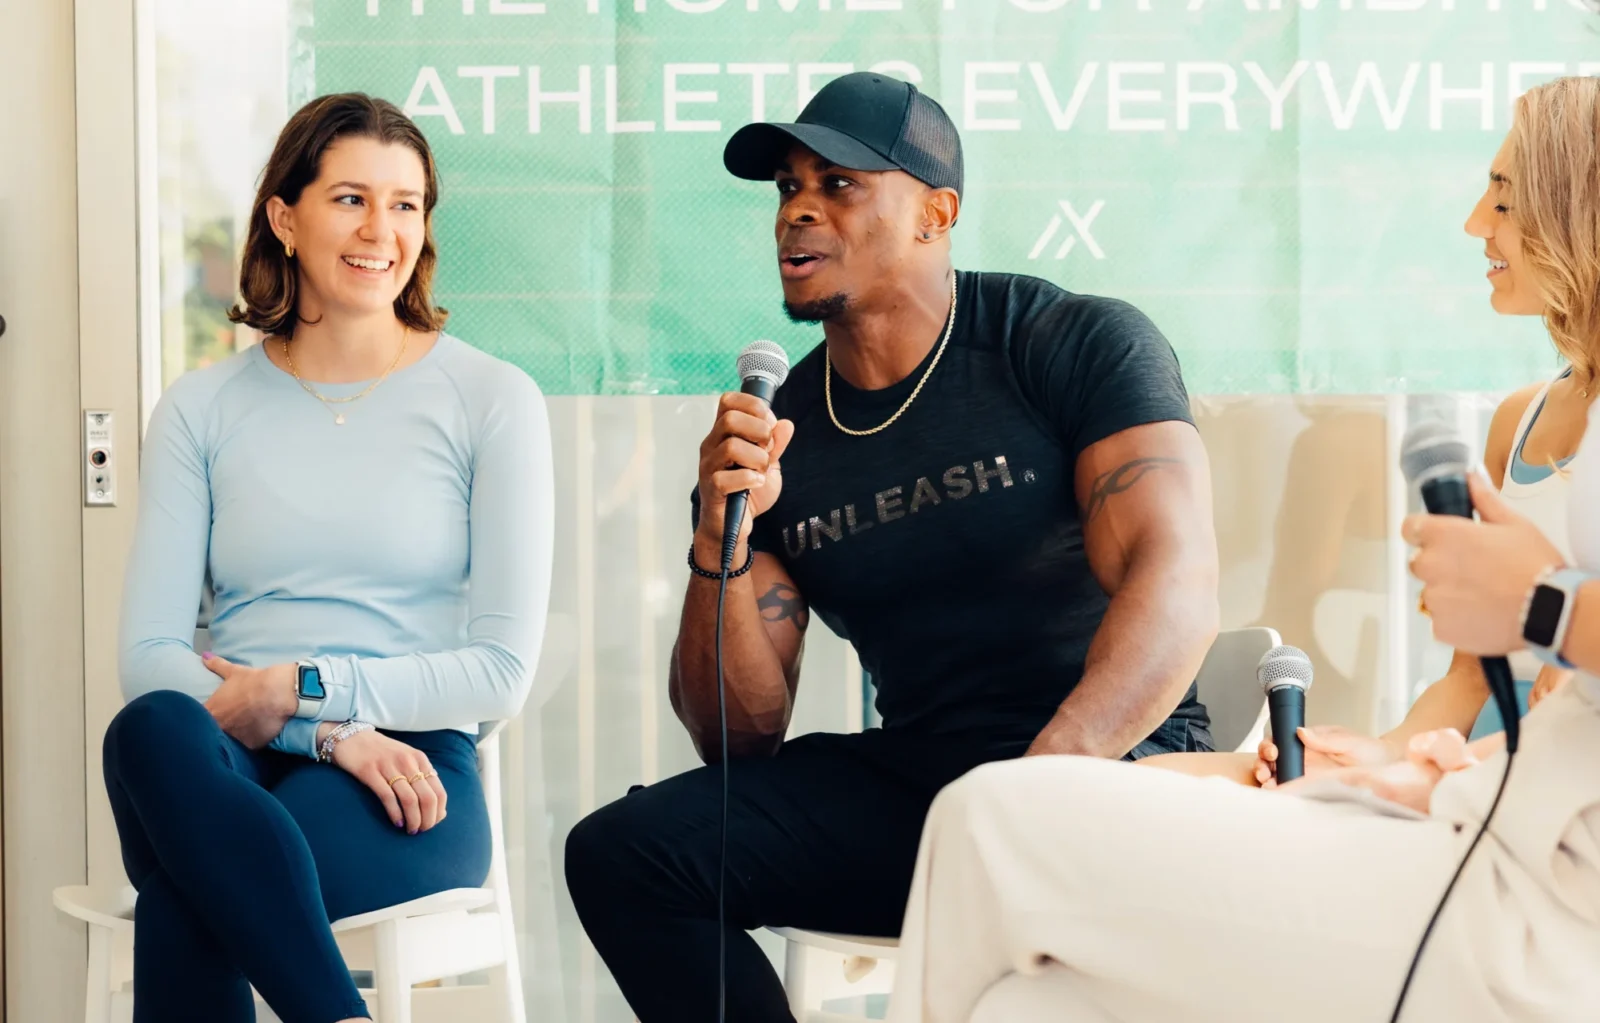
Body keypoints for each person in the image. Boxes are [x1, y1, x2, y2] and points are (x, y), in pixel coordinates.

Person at [885, 75, 1600, 1023]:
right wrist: (1380, 758)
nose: (1476, 222)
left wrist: (1540, 601)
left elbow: (1546, 636)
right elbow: (1495, 683)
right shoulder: (1537, 419)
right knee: (1031, 997)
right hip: (1478, 822)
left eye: (1504, 197)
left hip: (1540, 905)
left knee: (988, 822)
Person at [562, 71, 1220, 1021]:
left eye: (840, 184)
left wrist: (1032, 794)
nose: (799, 213)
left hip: (1111, 767)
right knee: (628, 853)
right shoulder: (781, 429)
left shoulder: (1068, 343)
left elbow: (1180, 583)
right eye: (789, 187)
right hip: (929, 788)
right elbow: (735, 735)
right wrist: (720, 540)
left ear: (935, 214)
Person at [103, 93, 554, 1023]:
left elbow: (500, 674)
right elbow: (149, 654)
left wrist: (306, 685)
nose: (380, 230)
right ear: (284, 216)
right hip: (230, 749)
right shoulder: (202, 408)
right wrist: (321, 724)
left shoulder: (491, 399)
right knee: (147, 728)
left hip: (412, 775)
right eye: (351, 198)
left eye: (405, 204)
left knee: (187, 891)